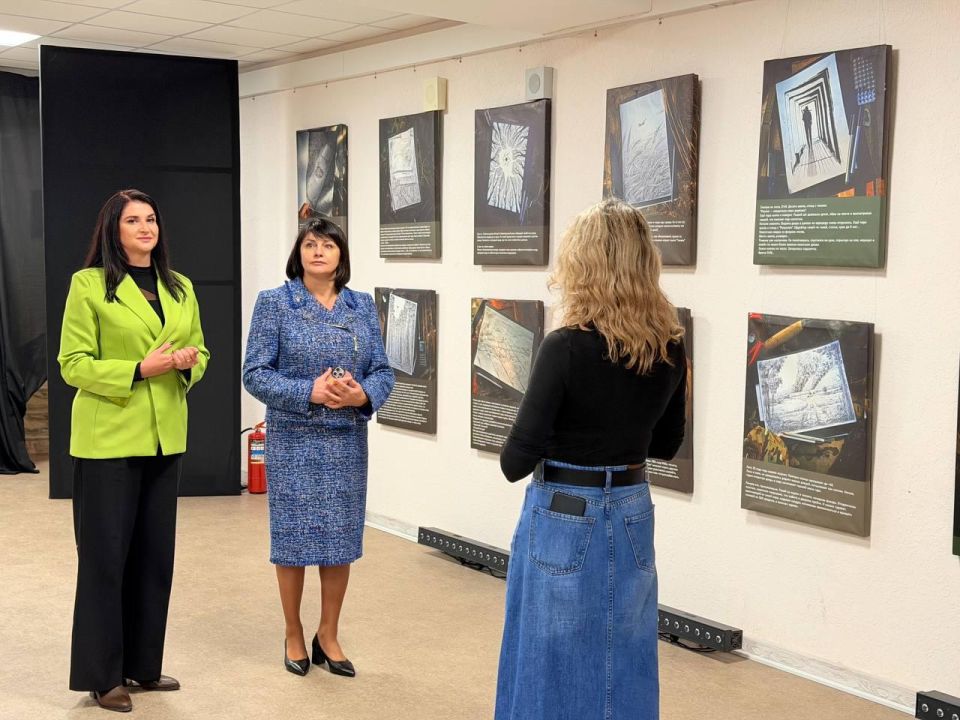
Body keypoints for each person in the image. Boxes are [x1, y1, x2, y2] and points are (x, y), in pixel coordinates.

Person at [495, 198, 687, 720]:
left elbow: (514, 462)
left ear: (582, 265)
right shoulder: (668, 346)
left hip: (565, 510)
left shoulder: (564, 348)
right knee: (627, 653)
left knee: (548, 658)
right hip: (632, 509)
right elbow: (666, 444)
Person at [59, 189, 209, 712]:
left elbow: (201, 350)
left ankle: (143, 665)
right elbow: (73, 363)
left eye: (151, 219)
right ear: (113, 230)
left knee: (153, 558)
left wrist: (188, 362)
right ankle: (103, 677)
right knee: (105, 560)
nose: (146, 228)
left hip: (165, 436)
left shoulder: (180, 286)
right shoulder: (88, 285)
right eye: (133, 220)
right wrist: (140, 369)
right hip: (108, 439)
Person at [242, 218, 394, 678]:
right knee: (292, 541)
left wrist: (362, 395)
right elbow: (255, 373)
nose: (318, 252)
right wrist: (306, 391)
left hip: (346, 440)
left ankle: (328, 634)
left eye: (328, 245)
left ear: (341, 255)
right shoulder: (275, 303)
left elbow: (383, 371)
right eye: (310, 244)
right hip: (294, 438)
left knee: (339, 542)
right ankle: (293, 631)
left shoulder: (361, 305)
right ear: (299, 253)